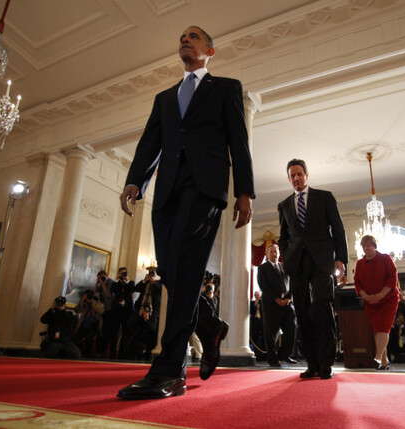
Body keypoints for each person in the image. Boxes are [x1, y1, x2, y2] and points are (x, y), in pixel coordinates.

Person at [118, 25, 254, 400]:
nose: (184, 39)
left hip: (205, 187)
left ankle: (170, 370)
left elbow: (238, 141)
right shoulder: (164, 97)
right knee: (172, 269)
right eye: (181, 36)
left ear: (210, 51)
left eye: (193, 36)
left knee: (183, 262)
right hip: (166, 193)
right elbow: (150, 143)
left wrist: (244, 191)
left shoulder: (226, 88)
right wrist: (135, 182)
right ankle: (208, 323)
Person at [278, 158, 347, 380]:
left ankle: (327, 363)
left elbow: (338, 229)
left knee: (322, 307)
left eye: (300, 174)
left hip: (322, 261)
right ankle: (312, 363)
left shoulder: (324, 197)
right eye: (292, 175)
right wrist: (286, 257)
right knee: (303, 312)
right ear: (289, 179)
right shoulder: (284, 205)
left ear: (306, 175)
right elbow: (284, 237)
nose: (296, 178)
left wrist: (341, 259)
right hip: (297, 264)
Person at [353, 235, 400, 370]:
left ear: (374, 246)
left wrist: (381, 294)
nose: (366, 248)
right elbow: (357, 282)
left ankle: (378, 357)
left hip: (388, 299)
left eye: (369, 245)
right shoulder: (359, 263)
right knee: (377, 329)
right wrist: (366, 296)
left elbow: (392, 276)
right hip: (370, 301)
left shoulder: (385, 258)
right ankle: (384, 361)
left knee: (384, 328)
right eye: (364, 246)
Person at [257, 243, 297, 367]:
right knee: (271, 333)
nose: (274, 254)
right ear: (267, 254)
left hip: (287, 305)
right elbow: (263, 285)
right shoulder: (263, 268)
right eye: (271, 252)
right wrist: (275, 299)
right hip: (271, 305)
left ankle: (285, 355)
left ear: (279, 253)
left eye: (276, 251)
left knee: (292, 329)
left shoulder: (285, 267)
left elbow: (292, 284)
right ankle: (273, 359)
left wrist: (289, 298)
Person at [120, 271, 163, 361]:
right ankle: (127, 352)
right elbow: (136, 288)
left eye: (153, 274)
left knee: (151, 333)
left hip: (153, 313)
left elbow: (161, 291)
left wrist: (154, 281)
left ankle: (149, 354)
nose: (151, 276)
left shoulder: (159, 283)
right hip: (140, 310)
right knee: (130, 328)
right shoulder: (145, 282)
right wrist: (144, 280)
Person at [72, 289, 105, 357]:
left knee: (88, 339)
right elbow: (77, 310)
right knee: (75, 337)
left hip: (93, 327)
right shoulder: (84, 303)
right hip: (83, 326)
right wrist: (82, 301)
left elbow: (101, 311)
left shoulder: (97, 302)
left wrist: (92, 302)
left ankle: (88, 354)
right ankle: (77, 353)